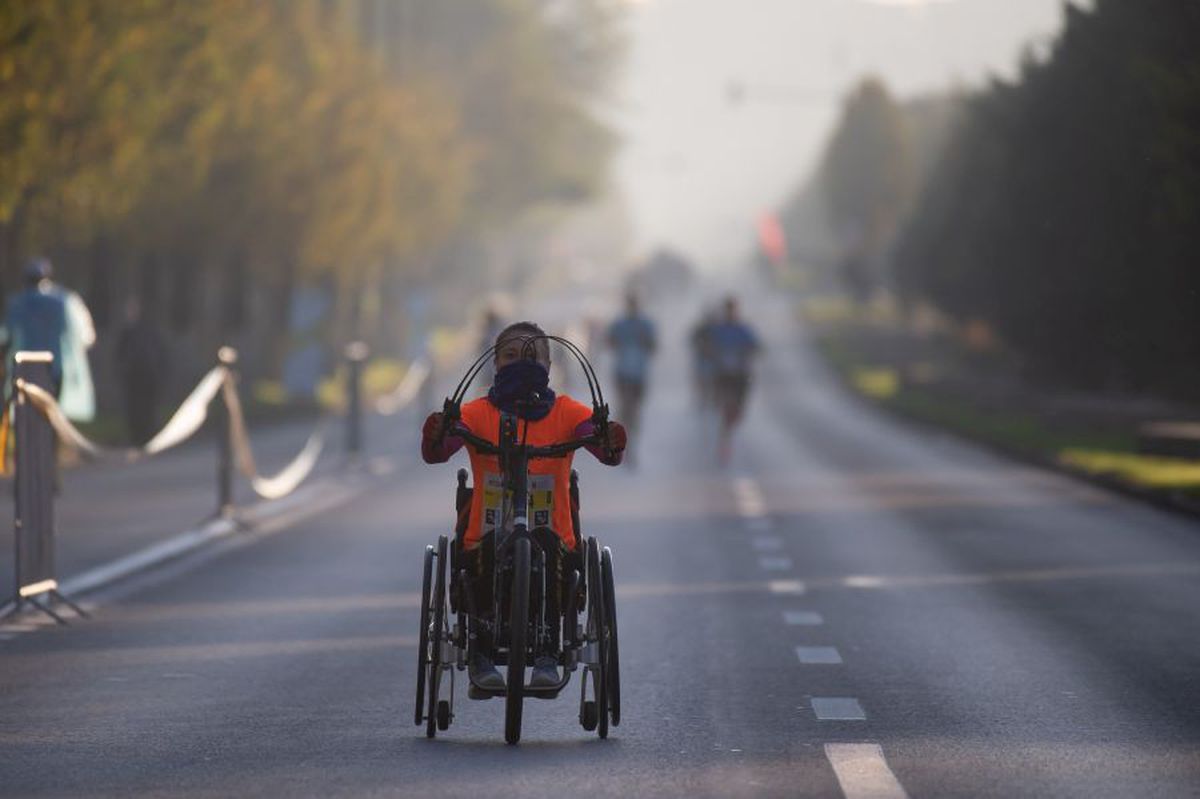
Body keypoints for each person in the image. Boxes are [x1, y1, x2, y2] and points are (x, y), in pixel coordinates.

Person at [421, 321, 627, 693]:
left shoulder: (566, 412)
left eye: (532, 356)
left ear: (548, 366)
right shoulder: (477, 413)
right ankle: (481, 652)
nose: (521, 363)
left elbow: (598, 444)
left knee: (545, 545)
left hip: (556, 544)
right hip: (484, 539)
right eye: (511, 355)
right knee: (489, 549)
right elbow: (438, 451)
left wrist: (605, 436)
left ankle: (548, 651)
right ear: (496, 363)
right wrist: (440, 430)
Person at [1, 257, 96, 421]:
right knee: (51, 414)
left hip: (25, 367)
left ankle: (32, 446)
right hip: (54, 368)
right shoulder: (64, 301)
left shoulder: (17, 303)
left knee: (27, 417)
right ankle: (49, 445)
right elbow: (86, 337)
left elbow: (5, 337)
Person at [708, 296, 761, 466]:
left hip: (740, 374)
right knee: (726, 407)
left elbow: (756, 346)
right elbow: (708, 347)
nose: (730, 312)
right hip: (723, 375)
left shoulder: (743, 329)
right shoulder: (719, 329)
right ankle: (725, 441)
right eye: (728, 309)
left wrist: (748, 352)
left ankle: (732, 419)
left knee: (738, 409)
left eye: (733, 309)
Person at [606, 292, 656, 465]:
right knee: (625, 409)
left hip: (639, 375)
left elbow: (653, 346)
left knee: (635, 411)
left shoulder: (646, 325)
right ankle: (622, 445)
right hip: (622, 373)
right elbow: (609, 342)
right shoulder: (619, 324)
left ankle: (631, 445)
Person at [115, 297, 168, 446]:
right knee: (134, 408)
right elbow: (120, 354)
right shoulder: (128, 332)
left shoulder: (147, 330)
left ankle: (148, 435)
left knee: (147, 408)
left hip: (147, 376)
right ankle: (138, 436)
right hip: (133, 377)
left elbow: (159, 352)